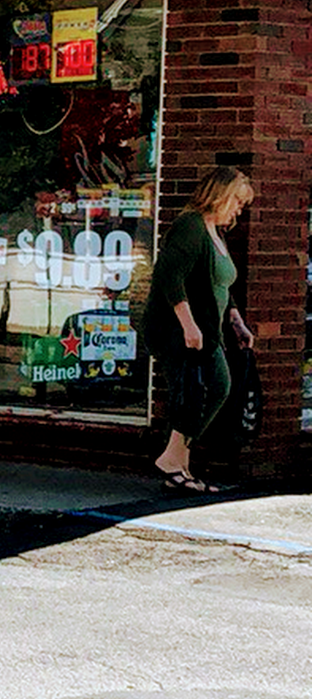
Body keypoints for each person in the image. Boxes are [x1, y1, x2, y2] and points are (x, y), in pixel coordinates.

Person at [146, 165, 255, 493]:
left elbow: (221, 283)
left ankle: (178, 464)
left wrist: (236, 320)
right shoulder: (190, 225)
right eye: (237, 201)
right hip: (177, 329)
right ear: (220, 196)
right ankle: (173, 462)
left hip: (208, 329)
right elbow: (170, 276)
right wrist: (188, 325)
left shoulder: (215, 231)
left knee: (211, 390)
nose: (238, 209)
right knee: (201, 391)